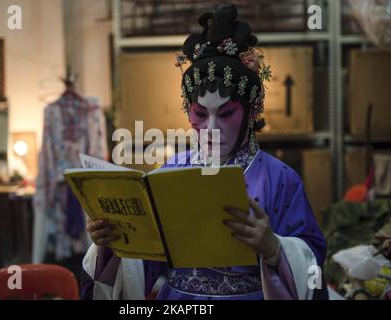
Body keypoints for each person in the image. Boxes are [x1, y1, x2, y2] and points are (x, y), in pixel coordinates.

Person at [81, 4, 327, 300]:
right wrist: (111, 243)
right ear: (188, 110)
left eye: (225, 114)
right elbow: (140, 264)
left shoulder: (281, 179)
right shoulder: (170, 174)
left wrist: (274, 249)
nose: (211, 127)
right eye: (200, 114)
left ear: (251, 112)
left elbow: (313, 264)